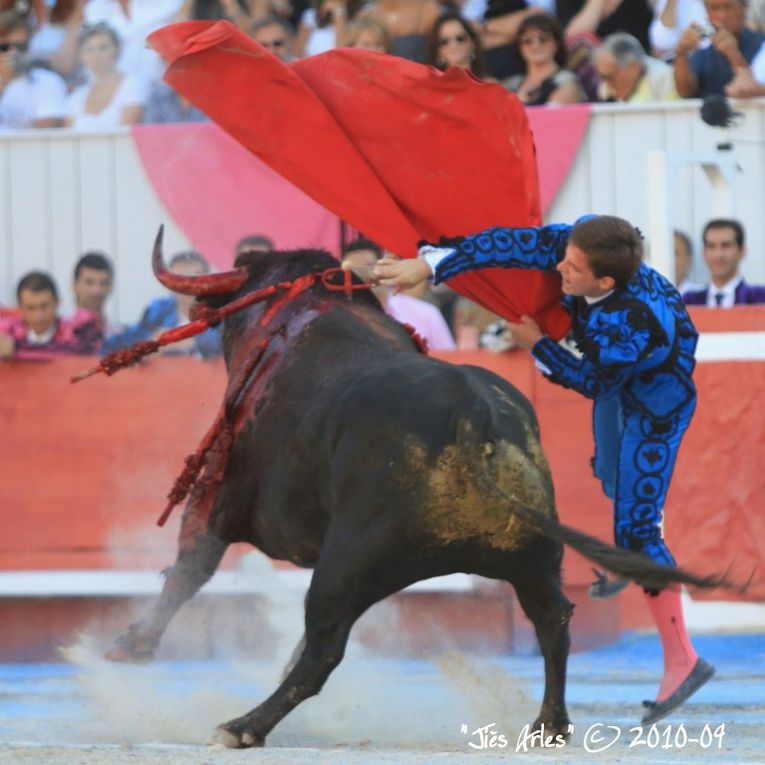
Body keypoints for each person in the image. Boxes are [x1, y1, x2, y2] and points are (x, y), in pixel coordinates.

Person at [374, 215, 715, 723]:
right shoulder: (587, 244)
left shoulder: (630, 325)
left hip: (657, 403)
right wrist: (424, 265)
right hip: (624, 378)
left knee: (638, 528)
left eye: (572, 267)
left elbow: (594, 382)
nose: (559, 266)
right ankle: (627, 554)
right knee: (608, 474)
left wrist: (538, 343)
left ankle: (682, 660)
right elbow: (508, 243)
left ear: (604, 282)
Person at [103, 251, 223, 358]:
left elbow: (229, 341)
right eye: (179, 279)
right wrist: (149, 344)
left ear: (208, 280)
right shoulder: (158, 312)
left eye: (195, 278)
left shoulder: (223, 309)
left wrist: (188, 341)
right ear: (168, 284)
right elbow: (127, 340)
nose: (188, 286)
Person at [342, 238, 456, 351]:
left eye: (369, 268)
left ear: (383, 268)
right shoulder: (341, 319)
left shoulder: (426, 314)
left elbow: (450, 359)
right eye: (354, 273)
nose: (363, 278)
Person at [673, 0, 765, 98]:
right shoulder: (703, 52)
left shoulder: (761, 45)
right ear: (707, 13)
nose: (723, 16)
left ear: (744, 7)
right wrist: (681, 54)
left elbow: (751, 89)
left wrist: (732, 53)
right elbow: (686, 92)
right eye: (715, 8)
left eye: (728, 7)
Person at [0, 271, 101, 359]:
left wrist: (16, 349)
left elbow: (79, 355)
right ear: (20, 307)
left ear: (57, 302)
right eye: (30, 308)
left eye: (44, 306)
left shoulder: (79, 330)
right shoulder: (6, 331)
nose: (38, 316)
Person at [66, 22, 149, 129]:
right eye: (89, 49)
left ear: (117, 49)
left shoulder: (134, 84)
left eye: (103, 48)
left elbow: (128, 129)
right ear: (82, 56)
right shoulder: (77, 96)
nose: (96, 55)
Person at [0, 15, 68, 129]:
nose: (13, 53)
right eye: (5, 47)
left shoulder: (47, 81)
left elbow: (47, 129)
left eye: (21, 46)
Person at [503, 13, 585, 104]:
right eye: (527, 40)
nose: (535, 46)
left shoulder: (567, 81)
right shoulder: (511, 85)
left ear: (556, 43)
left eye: (543, 39)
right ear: (520, 47)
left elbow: (552, 116)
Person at [682, 218, 765, 306]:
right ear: (704, 253)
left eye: (726, 245)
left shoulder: (759, 299)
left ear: (742, 251)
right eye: (711, 246)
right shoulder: (689, 301)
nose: (718, 255)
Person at [594, 32, 679, 101]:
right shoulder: (606, 88)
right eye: (602, 77)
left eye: (610, 77)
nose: (606, 84)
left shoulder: (665, 79)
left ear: (633, 67)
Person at [426, 11, 492, 79]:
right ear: (438, 50)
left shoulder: (490, 86)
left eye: (460, 38)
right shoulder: (430, 87)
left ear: (472, 43)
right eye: (444, 41)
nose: (453, 45)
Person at [72, 251, 124, 338]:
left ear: (111, 287)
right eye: (89, 282)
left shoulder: (119, 334)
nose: (96, 290)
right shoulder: (61, 336)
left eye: (103, 283)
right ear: (74, 285)